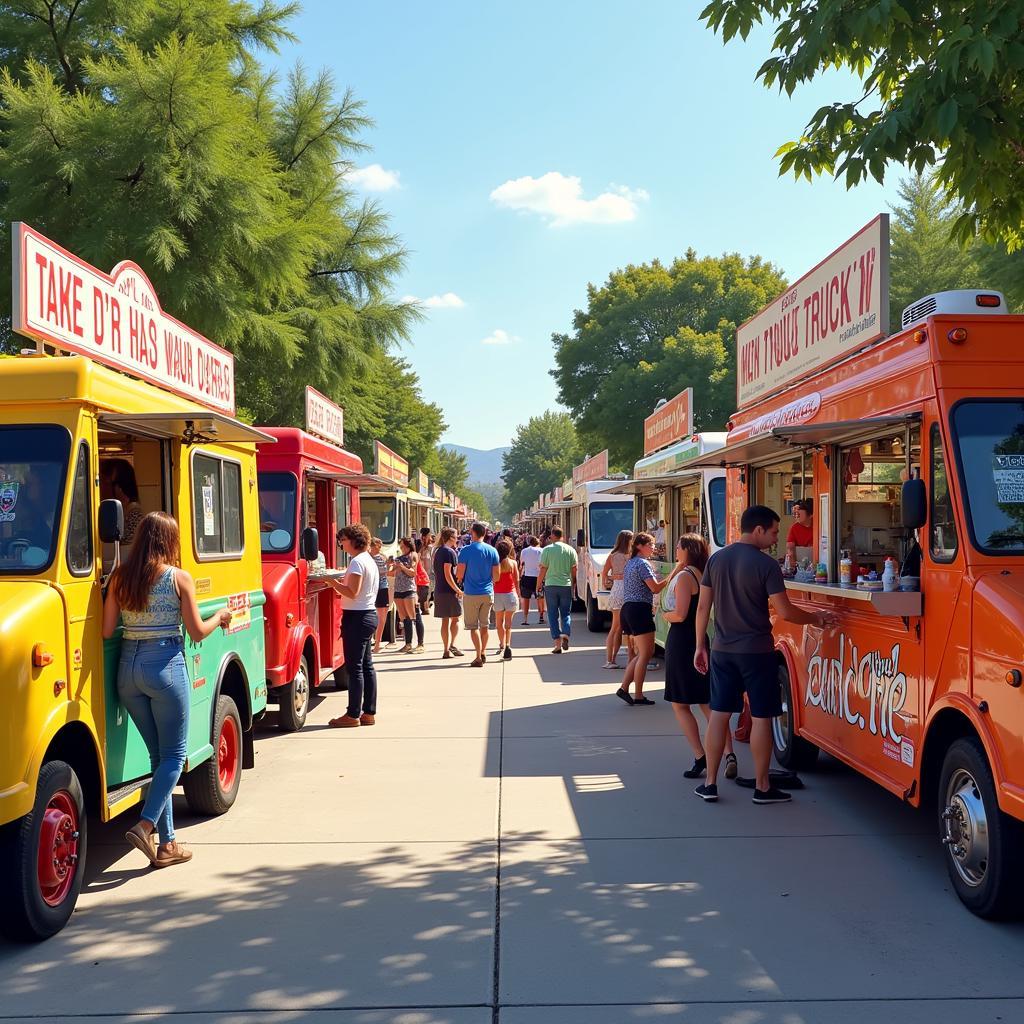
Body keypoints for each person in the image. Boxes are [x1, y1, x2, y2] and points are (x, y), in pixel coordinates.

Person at [102, 511, 232, 868]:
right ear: (170, 542)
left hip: (127, 671)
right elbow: (196, 632)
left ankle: (168, 844)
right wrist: (219, 617)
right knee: (176, 756)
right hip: (165, 668)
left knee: (158, 757)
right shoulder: (178, 578)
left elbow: (106, 629)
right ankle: (146, 826)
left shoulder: (118, 578)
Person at [693, 505, 839, 804]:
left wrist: (700, 646)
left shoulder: (716, 560)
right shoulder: (766, 565)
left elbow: (702, 608)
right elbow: (785, 611)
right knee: (762, 717)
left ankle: (709, 783)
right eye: (773, 531)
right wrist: (817, 617)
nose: (775, 538)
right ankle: (762, 787)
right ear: (758, 530)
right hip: (757, 652)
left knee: (719, 715)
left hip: (722, 650)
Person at [664, 534, 737, 780]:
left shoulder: (685, 577)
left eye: (678, 546)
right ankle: (729, 754)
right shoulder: (704, 573)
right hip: (700, 638)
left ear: (688, 549)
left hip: (682, 640)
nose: (675, 549)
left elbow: (681, 614)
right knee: (709, 703)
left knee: (680, 704)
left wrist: (665, 615)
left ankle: (700, 755)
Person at [326, 523, 381, 727]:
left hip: (357, 617)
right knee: (367, 666)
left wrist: (331, 582)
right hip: (367, 614)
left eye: (344, 540)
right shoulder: (368, 560)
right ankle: (368, 712)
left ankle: (353, 714)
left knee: (355, 668)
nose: (342, 544)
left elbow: (352, 592)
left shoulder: (357, 562)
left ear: (353, 541)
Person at [615, 532, 671, 705]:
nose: (653, 548)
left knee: (641, 654)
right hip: (639, 609)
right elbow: (654, 588)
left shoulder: (631, 563)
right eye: (650, 545)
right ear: (639, 546)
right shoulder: (643, 564)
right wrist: (671, 576)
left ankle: (625, 688)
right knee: (646, 653)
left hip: (629, 609)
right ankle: (637, 694)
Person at [456, 522, 500, 667]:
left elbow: (460, 574)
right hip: (487, 592)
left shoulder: (465, 550)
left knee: (473, 627)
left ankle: (478, 655)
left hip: (471, 593)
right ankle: (483, 652)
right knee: (485, 625)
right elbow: (497, 576)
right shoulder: (492, 551)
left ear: (473, 533)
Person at [537, 526, 578, 654]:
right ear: (562, 536)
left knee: (552, 615)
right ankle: (565, 633)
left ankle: (557, 644)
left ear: (553, 536)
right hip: (566, 585)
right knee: (565, 613)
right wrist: (573, 583)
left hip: (551, 585)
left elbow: (543, 569)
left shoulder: (547, 550)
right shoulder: (571, 550)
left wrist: (538, 584)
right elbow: (574, 569)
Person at [601, 529, 632, 669]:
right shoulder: (630, 556)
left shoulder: (613, 555)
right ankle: (612, 659)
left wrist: (612, 579)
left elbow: (604, 574)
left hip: (617, 590)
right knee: (620, 627)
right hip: (627, 590)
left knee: (616, 627)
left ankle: (611, 659)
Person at [433, 527, 465, 658]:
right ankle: (451, 645)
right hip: (449, 591)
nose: (457, 538)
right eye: (456, 536)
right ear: (450, 538)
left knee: (445, 621)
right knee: (455, 618)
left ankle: (446, 649)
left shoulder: (438, 551)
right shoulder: (449, 552)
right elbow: (448, 573)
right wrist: (457, 589)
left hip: (439, 589)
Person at [100, 458, 145, 543]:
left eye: (106, 483)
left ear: (119, 488)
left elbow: (128, 547)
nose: (101, 488)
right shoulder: (113, 509)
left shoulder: (134, 513)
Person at [392, 537, 424, 653]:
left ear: (409, 546)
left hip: (409, 589)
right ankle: (408, 643)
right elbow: (391, 573)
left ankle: (420, 644)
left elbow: (412, 573)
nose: (402, 548)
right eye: (401, 547)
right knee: (404, 617)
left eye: (404, 546)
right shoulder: (398, 558)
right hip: (398, 589)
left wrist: (402, 567)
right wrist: (390, 565)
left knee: (414, 615)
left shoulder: (413, 555)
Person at [493, 539, 521, 660]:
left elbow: (493, 579)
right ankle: (508, 644)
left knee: (499, 623)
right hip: (510, 594)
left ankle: (502, 644)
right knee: (508, 623)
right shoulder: (513, 563)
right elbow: (516, 580)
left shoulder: (494, 564)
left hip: (497, 594)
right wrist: (518, 593)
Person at [369, 537, 390, 654]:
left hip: (382, 586)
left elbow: (386, 572)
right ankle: (374, 642)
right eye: (378, 546)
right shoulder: (368, 557)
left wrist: (389, 564)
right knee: (376, 616)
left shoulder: (382, 557)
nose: (380, 548)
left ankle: (377, 643)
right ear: (372, 546)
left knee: (382, 616)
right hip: (375, 588)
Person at [518, 535, 544, 625]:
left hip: (527, 576)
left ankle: (525, 619)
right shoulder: (541, 551)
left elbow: (521, 564)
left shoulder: (524, 551)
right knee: (540, 597)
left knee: (526, 599)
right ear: (537, 543)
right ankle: (541, 617)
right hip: (538, 577)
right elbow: (543, 565)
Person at [786, 498, 814, 565]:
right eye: (795, 514)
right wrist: (793, 565)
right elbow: (790, 548)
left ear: (810, 515)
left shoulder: (819, 526)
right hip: (800, 564)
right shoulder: (794, 528)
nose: (796, 516)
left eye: (799, 514)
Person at [415, 533, 432, 615]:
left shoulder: (416, 555)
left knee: (422, 598)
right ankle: (425, 609)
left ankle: (425, 609)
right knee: (423, 598)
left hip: (421, 580)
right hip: (423, 579)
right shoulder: (418, 555)